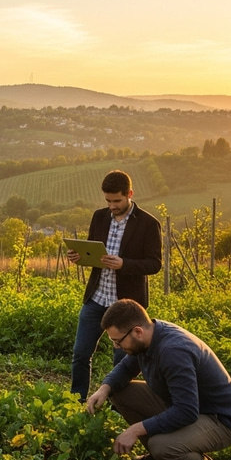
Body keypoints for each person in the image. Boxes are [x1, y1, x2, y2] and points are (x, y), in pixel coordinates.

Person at [86, 299, 231, 460]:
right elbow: (126, 368)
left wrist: (135, 430)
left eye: (118, 341)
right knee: (119, 392)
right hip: (183, 403)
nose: (116, 346)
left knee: (162, 446)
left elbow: (186, 411)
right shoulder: (149, 335)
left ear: (137, 331)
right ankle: (162, 457)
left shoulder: (173, 351)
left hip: (220, 419)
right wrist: (104, 389)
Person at [67, 170, 162, 402]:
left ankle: (117, 407)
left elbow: (155, 264)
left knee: (122, 361)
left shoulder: (148, 223)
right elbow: (92, 251)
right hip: (97, 297)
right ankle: (76, 402)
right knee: (80, 354)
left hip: (126, 306)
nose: (112, 206)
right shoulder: (99, 217)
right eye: (108, 201)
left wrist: (124, 264)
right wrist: (79, 257)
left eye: (116, 201)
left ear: (130, 194)